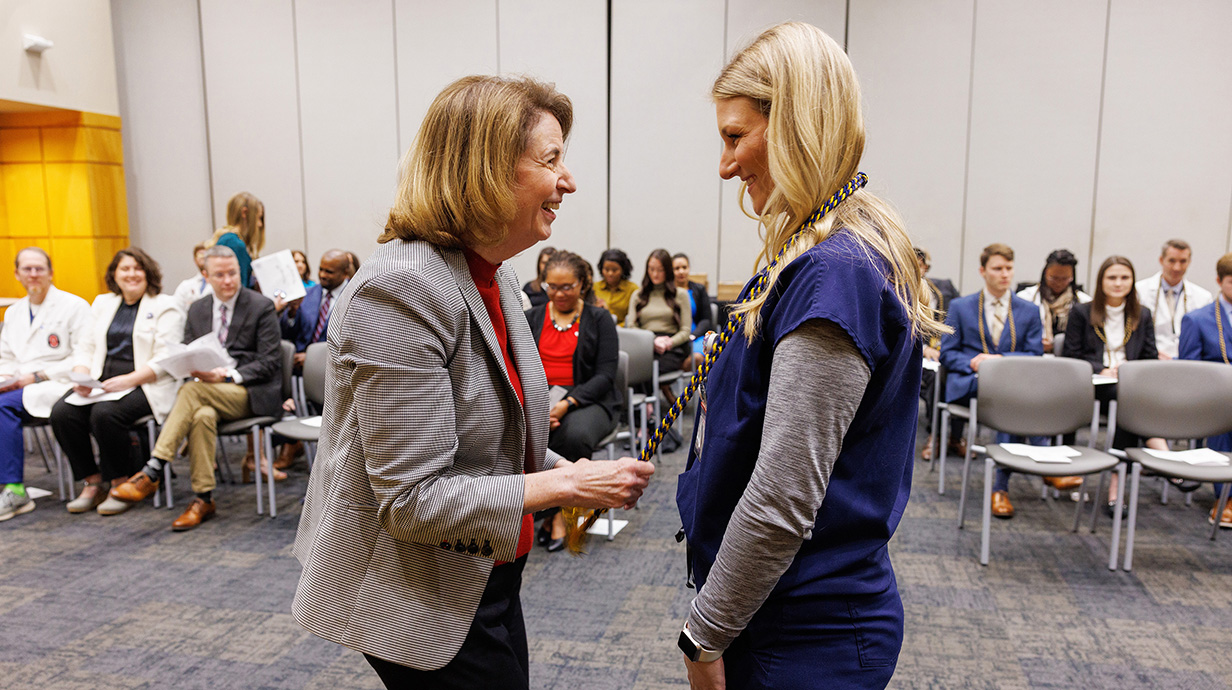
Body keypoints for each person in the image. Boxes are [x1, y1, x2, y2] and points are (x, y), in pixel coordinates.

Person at [292, 75, 653, 689]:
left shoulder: (494, 277)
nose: (568, 181)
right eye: (551, 160)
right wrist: (564, 480)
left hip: (482, 567)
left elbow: (498, 436)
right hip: (416, 589)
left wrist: (573, 471)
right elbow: (412, 500)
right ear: (486, 169)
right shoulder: (402, 288)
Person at [675, 23, 947, 690]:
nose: (725, 164)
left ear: (795, 123)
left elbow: (783, 497)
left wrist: (701, 641)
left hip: (804, 628)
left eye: (736, 137)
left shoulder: (834, 273)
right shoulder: (825, 246)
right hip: (785, 610)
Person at [107, 245, 283, 530]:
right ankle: (203, 498)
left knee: (192, 392)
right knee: (201, 415)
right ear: (205, 275)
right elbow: (186, 353)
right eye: (220, 275)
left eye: (233, 274)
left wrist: (226, 376)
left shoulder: (260, 306)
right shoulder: (198, 309)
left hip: (249, 392)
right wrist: (194, 370)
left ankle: (153, 469)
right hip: (206, 392)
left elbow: (270, 363)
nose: (227, 281)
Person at [49, 249, 185, 515]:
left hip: (147, 384)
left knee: (105, 414)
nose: (131, 274)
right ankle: (92, 481)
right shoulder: (102, 303)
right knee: (62, 412)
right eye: (125, 269)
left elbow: (165, 357)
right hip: (102, 383)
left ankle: (120, 482)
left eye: (137, 268)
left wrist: (128, 380)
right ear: (114, 275)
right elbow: (85, 346)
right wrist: (82, 374)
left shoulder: (165, 306)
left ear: (148, 273)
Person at [940, 243, 1051, 519]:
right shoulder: (961, 306)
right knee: (1013, 396)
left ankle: (1000, 488)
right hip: (969, 384)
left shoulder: (1028, 310)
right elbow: (947, 353)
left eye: (1009, 268)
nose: (1005, 274)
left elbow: (1035, 354)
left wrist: (999, 361)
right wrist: (974, 361)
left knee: (1008, 395)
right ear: (983, 271)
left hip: (1008, 389)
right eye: (998, 268)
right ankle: (1044, 457)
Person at [525, 251, 620, 552]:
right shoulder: (532, 317)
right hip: (542, 397)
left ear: (582, 284)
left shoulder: (599, 318)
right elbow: (519, 367)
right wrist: (538, 407)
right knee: (519, 432)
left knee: (574, 436)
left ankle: (558, 514)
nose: (559, 293)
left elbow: (605, 375)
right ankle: (544, 509)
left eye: (567, 286)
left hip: (590, 399)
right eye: (552, 286)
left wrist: (567, 403)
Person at [1061, 256, 1167, 514]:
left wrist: (1128, 370)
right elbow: (1070, 356)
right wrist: (1102, 369)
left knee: (1129, 399)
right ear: (1101, 281)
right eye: (1112, 277)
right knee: (1130, 399)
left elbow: (1150, 358)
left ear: (1132, 282)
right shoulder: (1082, 312)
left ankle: (1118, 487)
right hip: (1092, 384)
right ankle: (1160, 453)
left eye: (1124, 278)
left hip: (1130, 386)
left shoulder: (1142, 315)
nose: (1118, 283)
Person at [0, 248, 92, 521]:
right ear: (17, 274)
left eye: (39, 268)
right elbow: (5, 356)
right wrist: (6, 380)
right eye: (27, 269)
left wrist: (38, 376)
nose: (33, 274)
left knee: (2, 407)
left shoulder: (74, 306)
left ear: (51, 272)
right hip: (19, 386)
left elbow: (84, 354)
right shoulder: (14, 312)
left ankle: (15, 489)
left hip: (58, 383)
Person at [275, 249, 351, 468]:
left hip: (335, 366)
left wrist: (311, 356)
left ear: (345, 272)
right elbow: (290, 332)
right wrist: (290, 314)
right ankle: (291, 443)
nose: (323, 275)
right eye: (320, 269)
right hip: (298, 366)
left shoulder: (354, 295)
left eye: (329, 271)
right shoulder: (309, 294)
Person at [1178, 252, 1232, 528]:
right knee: (1226, 412)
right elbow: (1189, 371)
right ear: (1219, 281)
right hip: (1212, 396)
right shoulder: (1197, 320)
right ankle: (1226, 497)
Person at [626, 248, 692, 402]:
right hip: (645, 343)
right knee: (636, 366)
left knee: (646, 369)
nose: (655, 274)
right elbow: (631, 326)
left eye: (660, 270)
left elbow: (685, 330)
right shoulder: (638, 295)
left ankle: (645, 413)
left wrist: (669, 342)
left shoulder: (680, 294)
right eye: (651, 269)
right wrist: (651, 341)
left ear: (668, 271)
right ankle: (647, 412)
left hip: (672, 347)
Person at [1137, 239, 1213, 359]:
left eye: (1183, 261)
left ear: (1189, 262)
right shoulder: (1139, 291)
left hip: (1187, 361)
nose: (1177, 267)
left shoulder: (1203, 297)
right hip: (1149, 358)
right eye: (1172, 261)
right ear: (1161, 260)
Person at [916, 247, 957, 461]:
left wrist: (945, 348)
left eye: (922, 265)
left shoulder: (942, 288)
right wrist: (923, 349)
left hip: (943, 350)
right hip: (916, 354)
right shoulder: (895, 290)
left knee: (955, 371)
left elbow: (960, 320)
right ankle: (936, 433)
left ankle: (955, 437)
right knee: (935, 378)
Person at [1018, 249, 1092, 353]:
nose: (1059, 283)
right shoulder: (1025, 298)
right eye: (1053, 278)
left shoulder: (1084, 302)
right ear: (1045, 273)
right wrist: (1037, 344)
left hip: (1069, 357)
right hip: (1033, 355)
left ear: (1072, 277)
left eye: (1065, 279)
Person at [206, 191, 265, 289]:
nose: (260, 224)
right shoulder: (235, 244)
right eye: (258, 218)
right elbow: (239, 290)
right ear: (244, 213)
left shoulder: (226, 238)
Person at [672, 252, 713, 368]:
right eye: (677, 268)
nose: (681, 271)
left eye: (684, 267)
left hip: (696, 335)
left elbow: (706, 319)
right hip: (675, 336)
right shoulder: (668, 292)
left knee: (698, 358)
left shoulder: (699, 289)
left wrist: (693, 335)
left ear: (689, 268)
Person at [593, 248, 638, 323]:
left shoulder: (632, 289)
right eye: (606, 270)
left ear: (623, 270)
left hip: (623, 331)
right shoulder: (594, 287)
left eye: (615, 270)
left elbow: (634, 317)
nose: (610, 274)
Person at [172, 242, 213, 314]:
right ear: (195, 260)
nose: (203, 256)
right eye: (200, 254)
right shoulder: (185, 286)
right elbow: (176, 310)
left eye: (206, 253)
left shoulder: (221, 284)